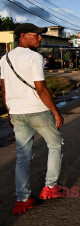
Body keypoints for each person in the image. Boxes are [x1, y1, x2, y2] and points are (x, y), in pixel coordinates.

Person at [0, 23, 64, 215]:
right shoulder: (35, 57)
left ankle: (22, 198)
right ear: (22, 36)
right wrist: (56, 112)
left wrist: (10, 111)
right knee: (55, 144)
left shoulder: (5, 58)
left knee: (23, 155)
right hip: (36, 109)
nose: (39, 38)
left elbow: (4, 89)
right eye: (36, 35)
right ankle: (50, 187)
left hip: (17, 112)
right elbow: (41, 88)